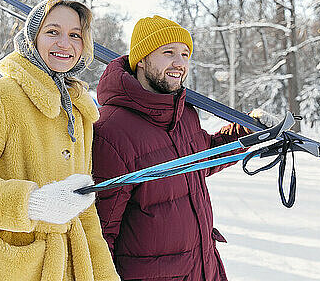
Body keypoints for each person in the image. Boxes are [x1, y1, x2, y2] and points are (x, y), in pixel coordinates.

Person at [0, 0, 119, 281]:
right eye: (52, 31)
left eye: (75, 35)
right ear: (32, 38)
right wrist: (31, 203)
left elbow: (84, 211)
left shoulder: (78, 112)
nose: (64, 44)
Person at [92, 15, 256, 281]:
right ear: (141, 59)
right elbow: (101, 231)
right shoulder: (112, 129)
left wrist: (247, 132)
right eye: (168, 52)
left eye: (184, 53)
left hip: (203, 267)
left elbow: (205, 157)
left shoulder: (184, 113)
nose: (179, 63)